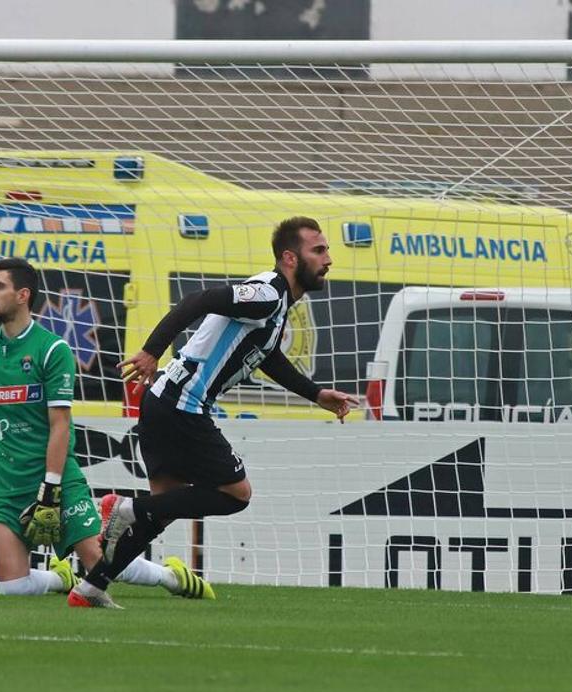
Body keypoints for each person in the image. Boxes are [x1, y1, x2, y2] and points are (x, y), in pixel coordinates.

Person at [68, 217, 360, 608]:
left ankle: (91, 588)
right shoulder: (268, 294)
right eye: (319, 250)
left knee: (164, 509)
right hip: (181, 406)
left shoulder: (277, 303)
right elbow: (199, 300)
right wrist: (152, 350)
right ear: (290, 258)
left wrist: (315, 393)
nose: (328, 259)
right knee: (236, 495)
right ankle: (124, 508)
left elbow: (266, 355)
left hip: (164, 402)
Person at [0, 257, 210, 604]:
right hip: (6, 485)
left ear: (23, 295)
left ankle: (172, 576)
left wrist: (50, 489)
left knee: (106, 567)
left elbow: (60, 423)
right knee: (11, 588)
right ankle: (60, 577)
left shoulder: (52, 349)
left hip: (57, 481)